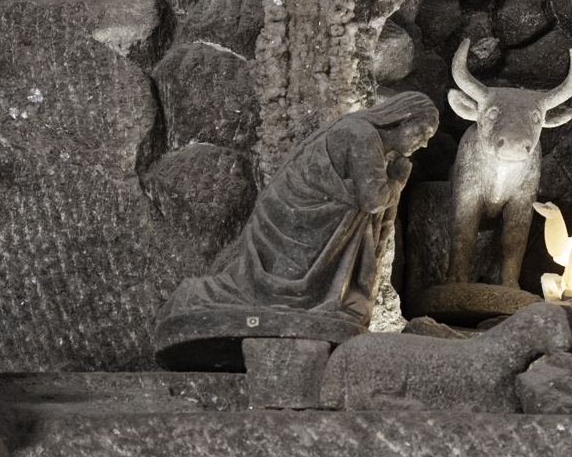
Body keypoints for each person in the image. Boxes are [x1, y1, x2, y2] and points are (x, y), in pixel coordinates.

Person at [163, 94, 439, 328]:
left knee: (266, 292)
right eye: (422, 132)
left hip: (299, 217)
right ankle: (196, 297)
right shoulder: (363, 134)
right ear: (402, 118)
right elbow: (373, 199)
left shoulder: (361, 132)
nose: (424, 143)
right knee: (271, 293)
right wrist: (398, 182)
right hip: (300, 219)